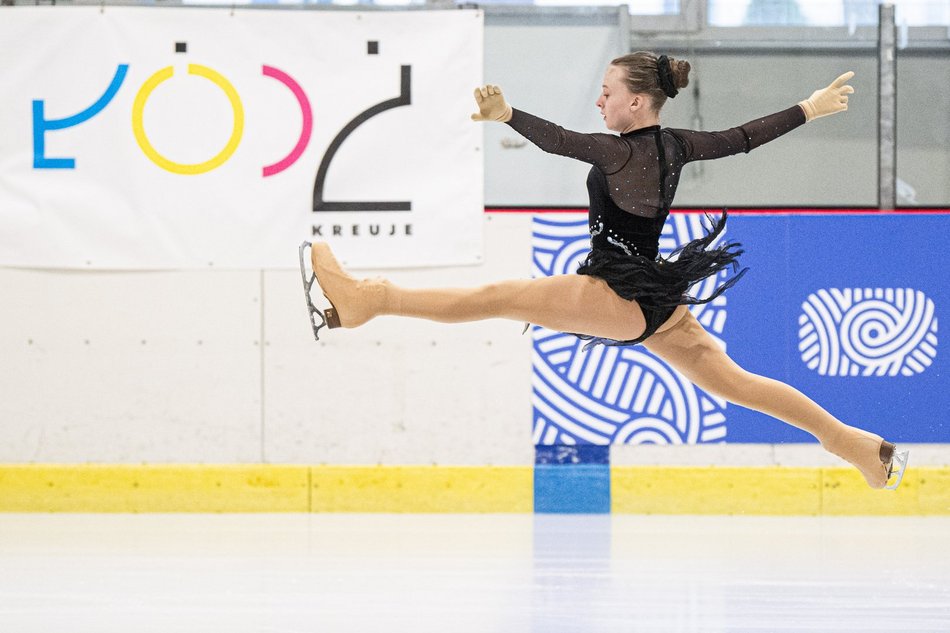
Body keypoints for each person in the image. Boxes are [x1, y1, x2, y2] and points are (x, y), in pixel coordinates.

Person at [306, 52, 907, 490]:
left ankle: (369, 298)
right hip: (653, 297)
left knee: (498, 296)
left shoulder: (619, 151)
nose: (600, 101)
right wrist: (807, 108)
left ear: (636, 101)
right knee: (736, 383)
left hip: (618, 291)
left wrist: (508, 114)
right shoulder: (677, 146)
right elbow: (742, 137)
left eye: (606, 91)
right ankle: (854, 444)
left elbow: (561, 141)